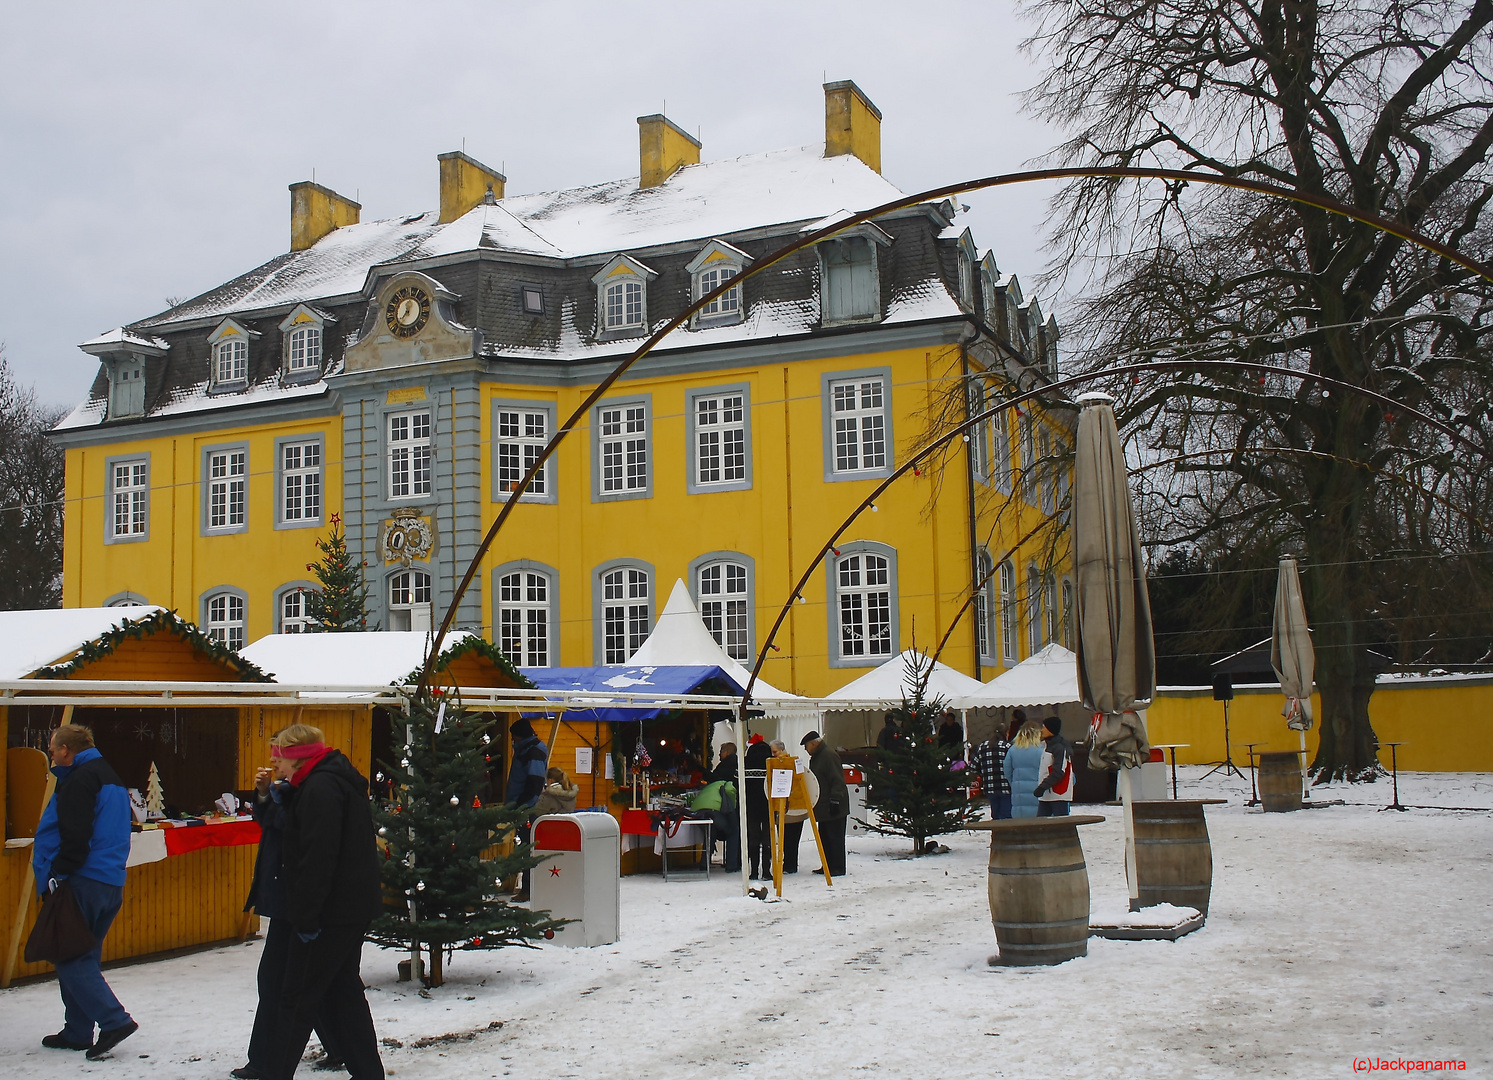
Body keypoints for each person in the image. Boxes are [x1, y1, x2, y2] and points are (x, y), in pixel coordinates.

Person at [265, 724, 384, 1080]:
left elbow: (318, 858)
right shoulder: (329, 780)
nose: (276, 768)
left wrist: (307, 918)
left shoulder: (320, 788)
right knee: (342, 991)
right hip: (349, 907)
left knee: (297, 998)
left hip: (331, 911)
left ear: (297, 757)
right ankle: (367, 1072)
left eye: (279, 759)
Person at [234, 742, 345, 1080]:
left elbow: (301, 842)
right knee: (303, 982)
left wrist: (276, 798)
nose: (271, 761)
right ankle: (338, 1046)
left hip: (297, 902)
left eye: (278, 756)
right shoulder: (295, 790)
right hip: (290, 900)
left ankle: (266, 1060)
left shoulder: (312, 791)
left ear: (297, 758)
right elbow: (269, 822)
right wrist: (267, 794)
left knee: (280, 982)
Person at [33, 724, 137, 1060]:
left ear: (66, 749)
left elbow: (75, 836)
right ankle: (78, 1030)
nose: (51, 754)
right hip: (109, 880)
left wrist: (57, 873)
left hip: (83, 879)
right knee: (83, 954)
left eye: (53, 749)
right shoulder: (110, 776)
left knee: (68, 956)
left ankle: (114, 1020)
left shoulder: (79, 780)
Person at [505, 718, 549, 903]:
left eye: (514, 736)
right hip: (522, 806)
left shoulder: (533, 751)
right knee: (524, 847)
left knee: (526, 849)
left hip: (527, 808)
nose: (513, 740)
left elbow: (534, 783)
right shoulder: (525, 749)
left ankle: (528, 889)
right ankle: (527, 888)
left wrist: (522, 804)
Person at [802, 731, 849, 877]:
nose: (805, 749)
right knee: (825, 838)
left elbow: (837, 780)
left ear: (814, 744)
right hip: (824, 807)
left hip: (833, 805)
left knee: (835, 838)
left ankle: (837, 867)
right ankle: (827, 865)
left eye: (806, 746)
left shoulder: (828, 756)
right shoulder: (818, 757)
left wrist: (835, 799)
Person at [769, 740, 803, 874]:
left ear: (782, 750)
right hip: (797, 806)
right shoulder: (796, 763)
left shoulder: (779, 765)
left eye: (775, 752)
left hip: (786, 806)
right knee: (792, 839)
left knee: (787, 838)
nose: (773, 755)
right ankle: (790, 864)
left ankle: (789, 864)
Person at [743, 735, 773, 879]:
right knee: (768, 840)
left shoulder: (745, 762)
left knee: (753, 839)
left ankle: (754, 871)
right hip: (769, 806)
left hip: (751, 806)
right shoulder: (772, 763)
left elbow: (737, 782)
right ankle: (767, 871)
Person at [1002, 721, 1046, 819]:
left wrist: (1015, 783)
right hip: (1039, 795)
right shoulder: (1042, 751)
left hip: (1019, 798)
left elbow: (1007, 771)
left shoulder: (1012, 750)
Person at [968, 726, 1013, 820]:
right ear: (1006, 733)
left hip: (989, 786)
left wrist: (983, 773)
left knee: (995, 814)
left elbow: (972, 767)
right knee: (1006, 815)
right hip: (1006, 786)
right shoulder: (1007, 746)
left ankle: (996, 832)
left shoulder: (982, 747)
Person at [1035, 717, 1075, 817]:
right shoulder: (1047, 745)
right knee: (1041, 825)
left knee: (1061, 824)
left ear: (1051, 729)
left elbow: (1059, 772)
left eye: (1044, 727)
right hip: (1047, 794)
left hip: (1059, 794)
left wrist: (1043, 787)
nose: (1041, 730)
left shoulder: (1060, 748)